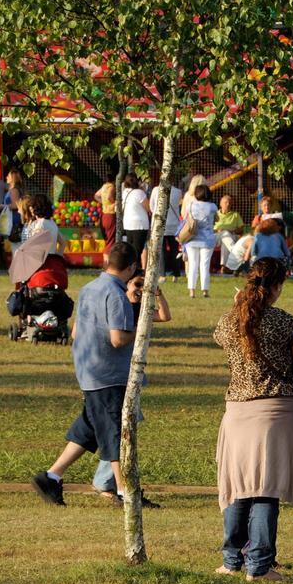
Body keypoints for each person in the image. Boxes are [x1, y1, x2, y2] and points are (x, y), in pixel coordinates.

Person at [31, 243, 151, 508]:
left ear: (108, 261)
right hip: (109, 374)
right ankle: (124, 492)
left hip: (88, 368)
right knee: (114, 432)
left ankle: (51, 477)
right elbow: (118, 339)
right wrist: (142, 330)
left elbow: (75, 332)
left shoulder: (88, 288)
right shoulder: (116, 295)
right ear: (132, 267)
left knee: (89, 429)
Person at [212, 258, 293, 581]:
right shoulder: (284, 322)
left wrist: (238, 306)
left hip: (237, 412)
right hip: (274, 412)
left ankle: (231, 560)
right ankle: (260, 565)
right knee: (266, 488)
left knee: (239, 487)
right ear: (277, 286)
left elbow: (221, 340)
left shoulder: (230, 320)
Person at [89, 272, 171, 503]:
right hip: (112, 376)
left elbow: (165, 316)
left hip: (128, 375)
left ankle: (106, 481)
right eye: (137, 284)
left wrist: (158, 294)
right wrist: (139, 330)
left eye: (144, 286)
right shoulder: (117, 308)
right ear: (125, 285)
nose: (140, 290)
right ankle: (108, 483)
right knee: (119, 428)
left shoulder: (139, 310)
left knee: (120, 427)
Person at [182, 183, 218, 298]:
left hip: (192, 238)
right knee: (205, 265)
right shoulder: (212, 207)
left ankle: (192, 291)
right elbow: (216, 219)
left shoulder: (190, 205)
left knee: (193, 264)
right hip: (207, 239)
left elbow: (186, 218)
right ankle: (205, 291)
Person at [149, 178, 183, 280]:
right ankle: (176, 274)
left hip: (160, 224)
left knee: (161, 250)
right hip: (174, 225)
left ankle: (162, 275)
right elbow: (179, 206)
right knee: (174, 250)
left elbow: (152, 206)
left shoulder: (156, 190)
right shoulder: (178, 192)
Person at [119, 175, 151, 261]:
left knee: (131, 250)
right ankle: (136, 267)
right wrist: (143, 191)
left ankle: (131, 267)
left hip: (128, 224)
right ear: (137, 182)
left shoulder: (125, 192)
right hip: (139, 225)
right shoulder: (140, 193)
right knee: (138, 250)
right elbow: (149, 208)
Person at [214, 195, 244, 273]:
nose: (228, 204)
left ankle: (224, 267)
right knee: (224, 234)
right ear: (220, 204)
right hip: (217, 237)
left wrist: (232, 231)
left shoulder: (235, 215)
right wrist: (217, 231)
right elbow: (209, 228)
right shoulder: (215, 214)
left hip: (232, 236)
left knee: (225, 238)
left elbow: (241, 229)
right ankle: (237, 253)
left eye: (230, 203)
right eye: (226, 202)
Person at [94, 180, 118, 258]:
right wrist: (115, 203)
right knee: (111, 241)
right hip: (110, 214)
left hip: (104, 215)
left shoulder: (104, 186)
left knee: (108, 240)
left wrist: (104, 203)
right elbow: (109, 197)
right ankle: (107, 262)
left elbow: (96, 196)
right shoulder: (111, 186)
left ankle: (107, 262)